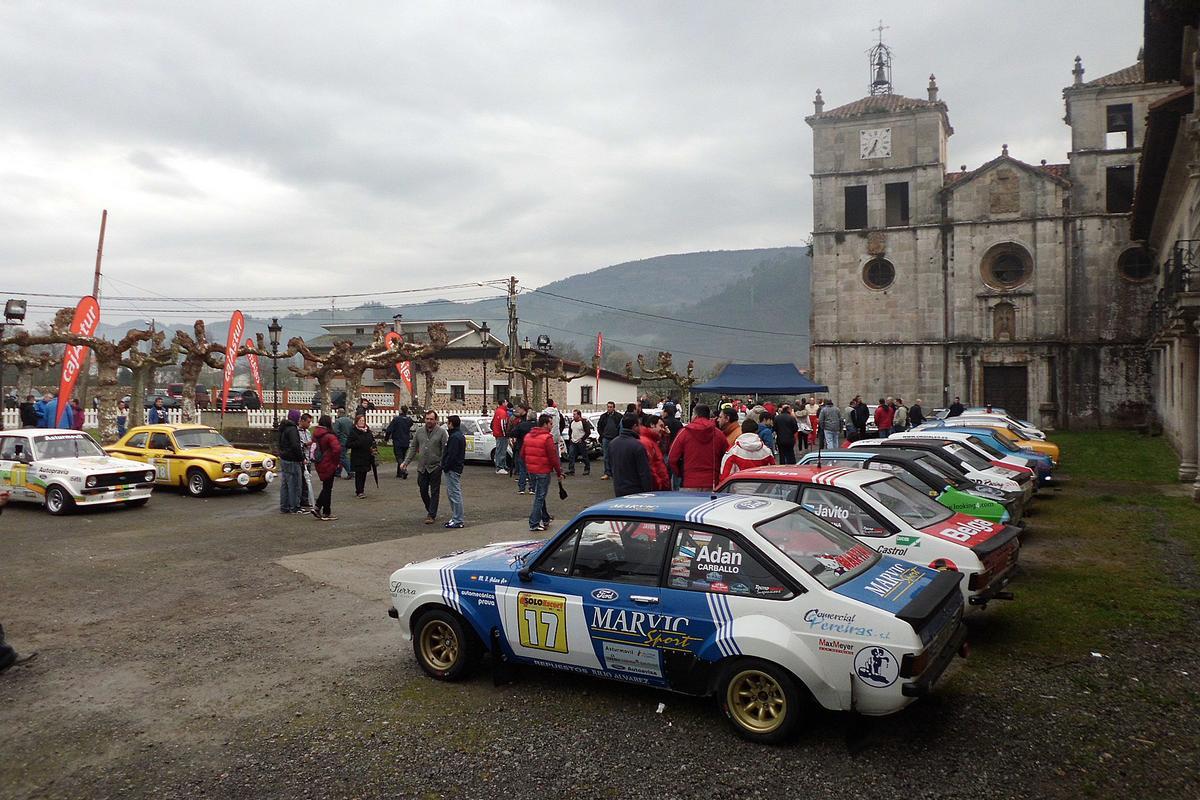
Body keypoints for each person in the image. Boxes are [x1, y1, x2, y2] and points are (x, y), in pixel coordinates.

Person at [667, 404, 729, 491]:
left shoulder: (684, 433)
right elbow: (727, 457)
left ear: (695, 415)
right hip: (712, 482)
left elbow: (672, 458)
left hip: (689, 482)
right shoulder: (719, 434)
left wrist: (680, 474)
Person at [403, 409, 448, 524]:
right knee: (423, 490)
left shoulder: (441, 432)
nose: (429, 421)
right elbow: (413, 448)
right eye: (427, 419)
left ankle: (431, 514)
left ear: (436, 420)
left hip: (435, 467)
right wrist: (406, 462)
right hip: (422, 467)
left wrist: (441, 464)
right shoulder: (419, 432)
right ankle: (430, 509)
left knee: (434, 491)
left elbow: (444, 450)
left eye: (431, 419)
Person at [523, 413, 562, 532]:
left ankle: (545, 518)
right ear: (545, 424)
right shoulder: (547, 438)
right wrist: (559, 471)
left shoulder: (528, 436)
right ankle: (534, 523)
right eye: (550, 423)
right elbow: (553, 457)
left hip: (532, 470)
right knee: (540, 496)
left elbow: (522, 454)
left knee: (540, 494)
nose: (552, 426)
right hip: (543, 470)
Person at [608, 414, 652, 497]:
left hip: (619, 488)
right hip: (636, 490)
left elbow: (610, 465)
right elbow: (644, 472)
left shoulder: (613, 444)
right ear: (634, 426)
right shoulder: (638, 446)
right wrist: (648, 491)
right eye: (639, 425)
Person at [310, 414, 342, 520]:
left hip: (319, 462)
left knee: (326, 487)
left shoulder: (315, 434)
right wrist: (336, 461)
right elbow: (337, 449)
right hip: (329, 463)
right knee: (327, 488)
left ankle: (322, 509)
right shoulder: (330, 436)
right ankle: (323, 510)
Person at [278, 410, 304, 514]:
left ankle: (284, 506)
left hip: (284, 457)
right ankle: (295, 506)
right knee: (294, 484)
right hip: (292, 459)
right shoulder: (293, 429)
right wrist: (301, 458)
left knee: (285, 484)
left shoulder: (283, 428)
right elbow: (295, 445)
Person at [442, 414, 466, 528]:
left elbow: (452, 454)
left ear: (451, 424)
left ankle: (458, 519)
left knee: (454, 493)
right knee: (452, 493)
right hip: (454, 468)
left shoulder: (455, 437)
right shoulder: (457, 435)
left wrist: (446, 466)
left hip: (453, 468)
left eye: (448, 423)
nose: (447, 425)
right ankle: (456, 517)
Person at [346, 414, 376, 498]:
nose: (362, 422)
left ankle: (362, 489)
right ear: (357, 422)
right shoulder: (353, 431)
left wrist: (373, 448)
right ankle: (359, 491)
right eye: (360, 421)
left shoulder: (368, 431)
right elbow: (348, 444)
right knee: (359, 474)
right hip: (357, 456)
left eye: (363, 421)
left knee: (364, 473)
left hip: (366, 456)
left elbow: (372, 441)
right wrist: (358, 443)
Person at [639, 418, 671, 491]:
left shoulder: (653, 441)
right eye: (661, 426)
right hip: (656, 488)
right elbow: (649, 467)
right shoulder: (647, 442)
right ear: (652, 425)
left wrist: (665, 436)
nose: (663, 429)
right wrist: (659, 484)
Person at [382, 406, 414, 478]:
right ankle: (399, 473)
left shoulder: (396, 420)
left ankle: (403, 470)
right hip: (406, 440)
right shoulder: (409, 420)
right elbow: (411, 424)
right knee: (403, 456)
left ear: (400, 410)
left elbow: (389, 430)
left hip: (397, 440)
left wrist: (386, 438)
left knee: (399, 457)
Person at [511, 406, 536, 494]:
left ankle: (522, 488)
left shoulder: (522, 425)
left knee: (522, 469)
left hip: (523, 448)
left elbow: (513, 433)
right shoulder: (537, 426)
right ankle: (532, 488)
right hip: (533, 450)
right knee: (532, 470)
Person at [596, 401, 622, 481]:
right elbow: (599, 426)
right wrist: (602, 435)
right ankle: (607, 473)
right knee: (606, 456)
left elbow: (620, 427)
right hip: (606, 438)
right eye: (608, 407)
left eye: (611, 407)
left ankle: (615, 473)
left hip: (615, 438)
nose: (609, 408)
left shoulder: (619, 416)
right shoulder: (603, 416)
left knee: (615, 456)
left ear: (614, 408)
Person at [565, 409, 593, 476]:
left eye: (575, 414)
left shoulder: (583, 422)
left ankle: (587, 469)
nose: (573, 416)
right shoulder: (572, 422)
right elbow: (570, 431)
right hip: (573, 441)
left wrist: (582, 439)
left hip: (581, 442)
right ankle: (571, 470)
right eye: (573, 414)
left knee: (584, 456)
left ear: (579, 415)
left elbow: (588, 432)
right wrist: (570, 438)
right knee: (571, 455)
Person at [297, 412, 315, 511]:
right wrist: (305, 444)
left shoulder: (308, 432)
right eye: (308, 422)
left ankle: (305, 499)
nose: (309, 424)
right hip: (301, 459)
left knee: (307, 481)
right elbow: (298, 445)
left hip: (308, 458)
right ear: (302, 421)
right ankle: (299, 500)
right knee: (300, 481)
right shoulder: (296, 432)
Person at [332, 408, 354, 479]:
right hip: (348, 440)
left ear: (339, 413)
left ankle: (350, 471)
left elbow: (335, 432)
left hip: (341, 441)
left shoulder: (338, 421)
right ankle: (338, 472)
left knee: (342, 457)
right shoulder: (350, 421)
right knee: (339, 456)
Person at [490, 403, 510, 475]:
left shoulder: (498, 411)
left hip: (498, 434)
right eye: (506, 402)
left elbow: (493, 423)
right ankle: (500, 467)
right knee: (501, 451)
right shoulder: (502, 412)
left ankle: (502, 466)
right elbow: (503, 423)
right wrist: (505, 433)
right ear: (503, 403)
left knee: (500, 450)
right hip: (502, 434)